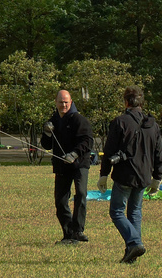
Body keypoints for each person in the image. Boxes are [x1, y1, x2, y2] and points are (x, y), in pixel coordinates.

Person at [97, 85, 162, 265]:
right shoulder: (154, 125)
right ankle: (132, 253)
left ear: (126, 102)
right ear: (141, 103)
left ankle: (135, 243)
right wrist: (157, 177)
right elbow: (159, 153)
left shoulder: (120, 122)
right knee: (135, 212)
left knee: (117, 211)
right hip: (144, 176)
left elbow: (109, 150)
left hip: (125, 175)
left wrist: (103, 174)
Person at [39, 88, 94, 244]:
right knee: (61, 201)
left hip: (79, 164)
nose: (63, 105)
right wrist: (47, 133)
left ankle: (78, 230)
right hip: (62, 166)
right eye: (61, 102)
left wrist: (74, 154)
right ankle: (68, 233)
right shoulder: (53, 121)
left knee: (81, 194)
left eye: (66, 102)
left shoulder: (80, 120)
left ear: (71, 102)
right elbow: (46, 145)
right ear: (56, 103)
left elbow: (87, 142)